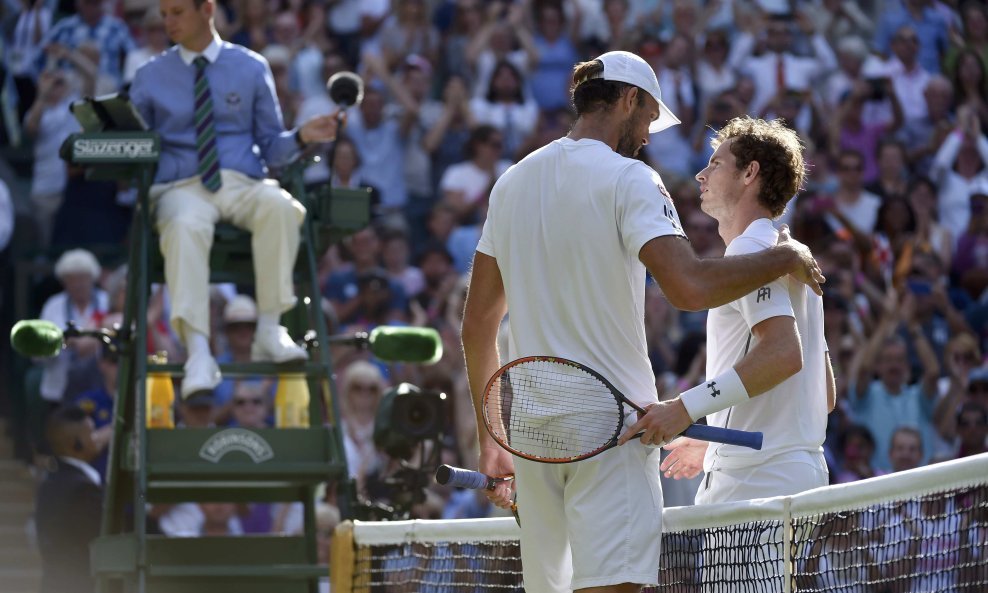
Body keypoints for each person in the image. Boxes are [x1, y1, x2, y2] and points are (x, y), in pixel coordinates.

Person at [462, 51, 825, 593]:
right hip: (613, 434)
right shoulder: (633, 178)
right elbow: (690, 288)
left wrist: (493, 435)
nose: (650, 136)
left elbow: (476, 328)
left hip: (535, 439)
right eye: (651, 117)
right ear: (629, 100)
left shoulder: (511, 182)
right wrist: (785, 256)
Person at [129, 0, 340, 402]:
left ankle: (269, 328)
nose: (166, 21)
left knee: (281, 207)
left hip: (243, 182)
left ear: (206, 9)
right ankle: (198, 352)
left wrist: (302, 136)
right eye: (164, 13)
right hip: (180, 185)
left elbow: (273, 149)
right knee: (186, 224)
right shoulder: (149, 75)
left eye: (177, 12)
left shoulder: (251, 66)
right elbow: (131, 141)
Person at [658, 117, 835, 505]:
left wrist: (684, 408)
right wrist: (717, 447)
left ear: (749, 174)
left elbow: (783, 355)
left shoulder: (751, 253)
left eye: (716, 164)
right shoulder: (791, 257)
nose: (701, 175)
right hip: (797, 475)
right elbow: (823, 396)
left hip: (758, 484)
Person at [34, 406, 103, 593]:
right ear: (77, 443)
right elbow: (98, 542)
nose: (97, 438)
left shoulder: (50, 482)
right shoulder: (81, 489)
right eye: (92, 432)